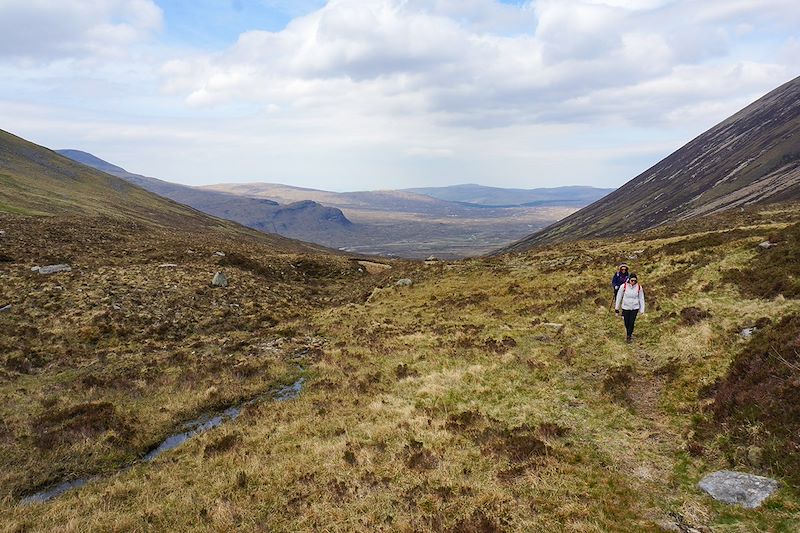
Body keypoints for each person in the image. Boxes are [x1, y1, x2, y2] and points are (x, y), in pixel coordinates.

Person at [615, 273, 645, 343]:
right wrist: (617, 308)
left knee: (631, 322)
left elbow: (641, 298)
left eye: (635, 281)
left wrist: (642, 310)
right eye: (632, 280)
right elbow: (619, 297)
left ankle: (629, 335)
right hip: (626, 307)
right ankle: (629, 332)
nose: (633, 282)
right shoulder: (623, 286)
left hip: (635, 307)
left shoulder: (639, 287)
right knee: (626, 322)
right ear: (629, 280)